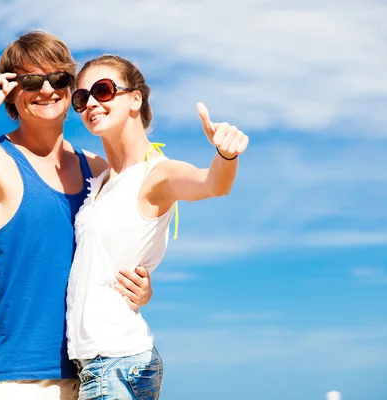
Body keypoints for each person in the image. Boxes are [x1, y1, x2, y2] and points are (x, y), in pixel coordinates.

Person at [0, 31, 154, 400]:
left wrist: (142, 288)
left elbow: (119, 254)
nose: (46, 90)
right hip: (23, 377)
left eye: (57, 79)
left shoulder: (98, 168)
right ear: (11, 90)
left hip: (99, 367)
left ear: (71, 88)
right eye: (30, 81)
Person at [65, 54, 249, 399]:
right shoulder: (102, 179)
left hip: (117, 364)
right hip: (96, 364)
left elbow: (212, 184)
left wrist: (226, 154)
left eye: (103, 91)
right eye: (81, 97)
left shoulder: (157, 174)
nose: (91, 102)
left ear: (135, 98)